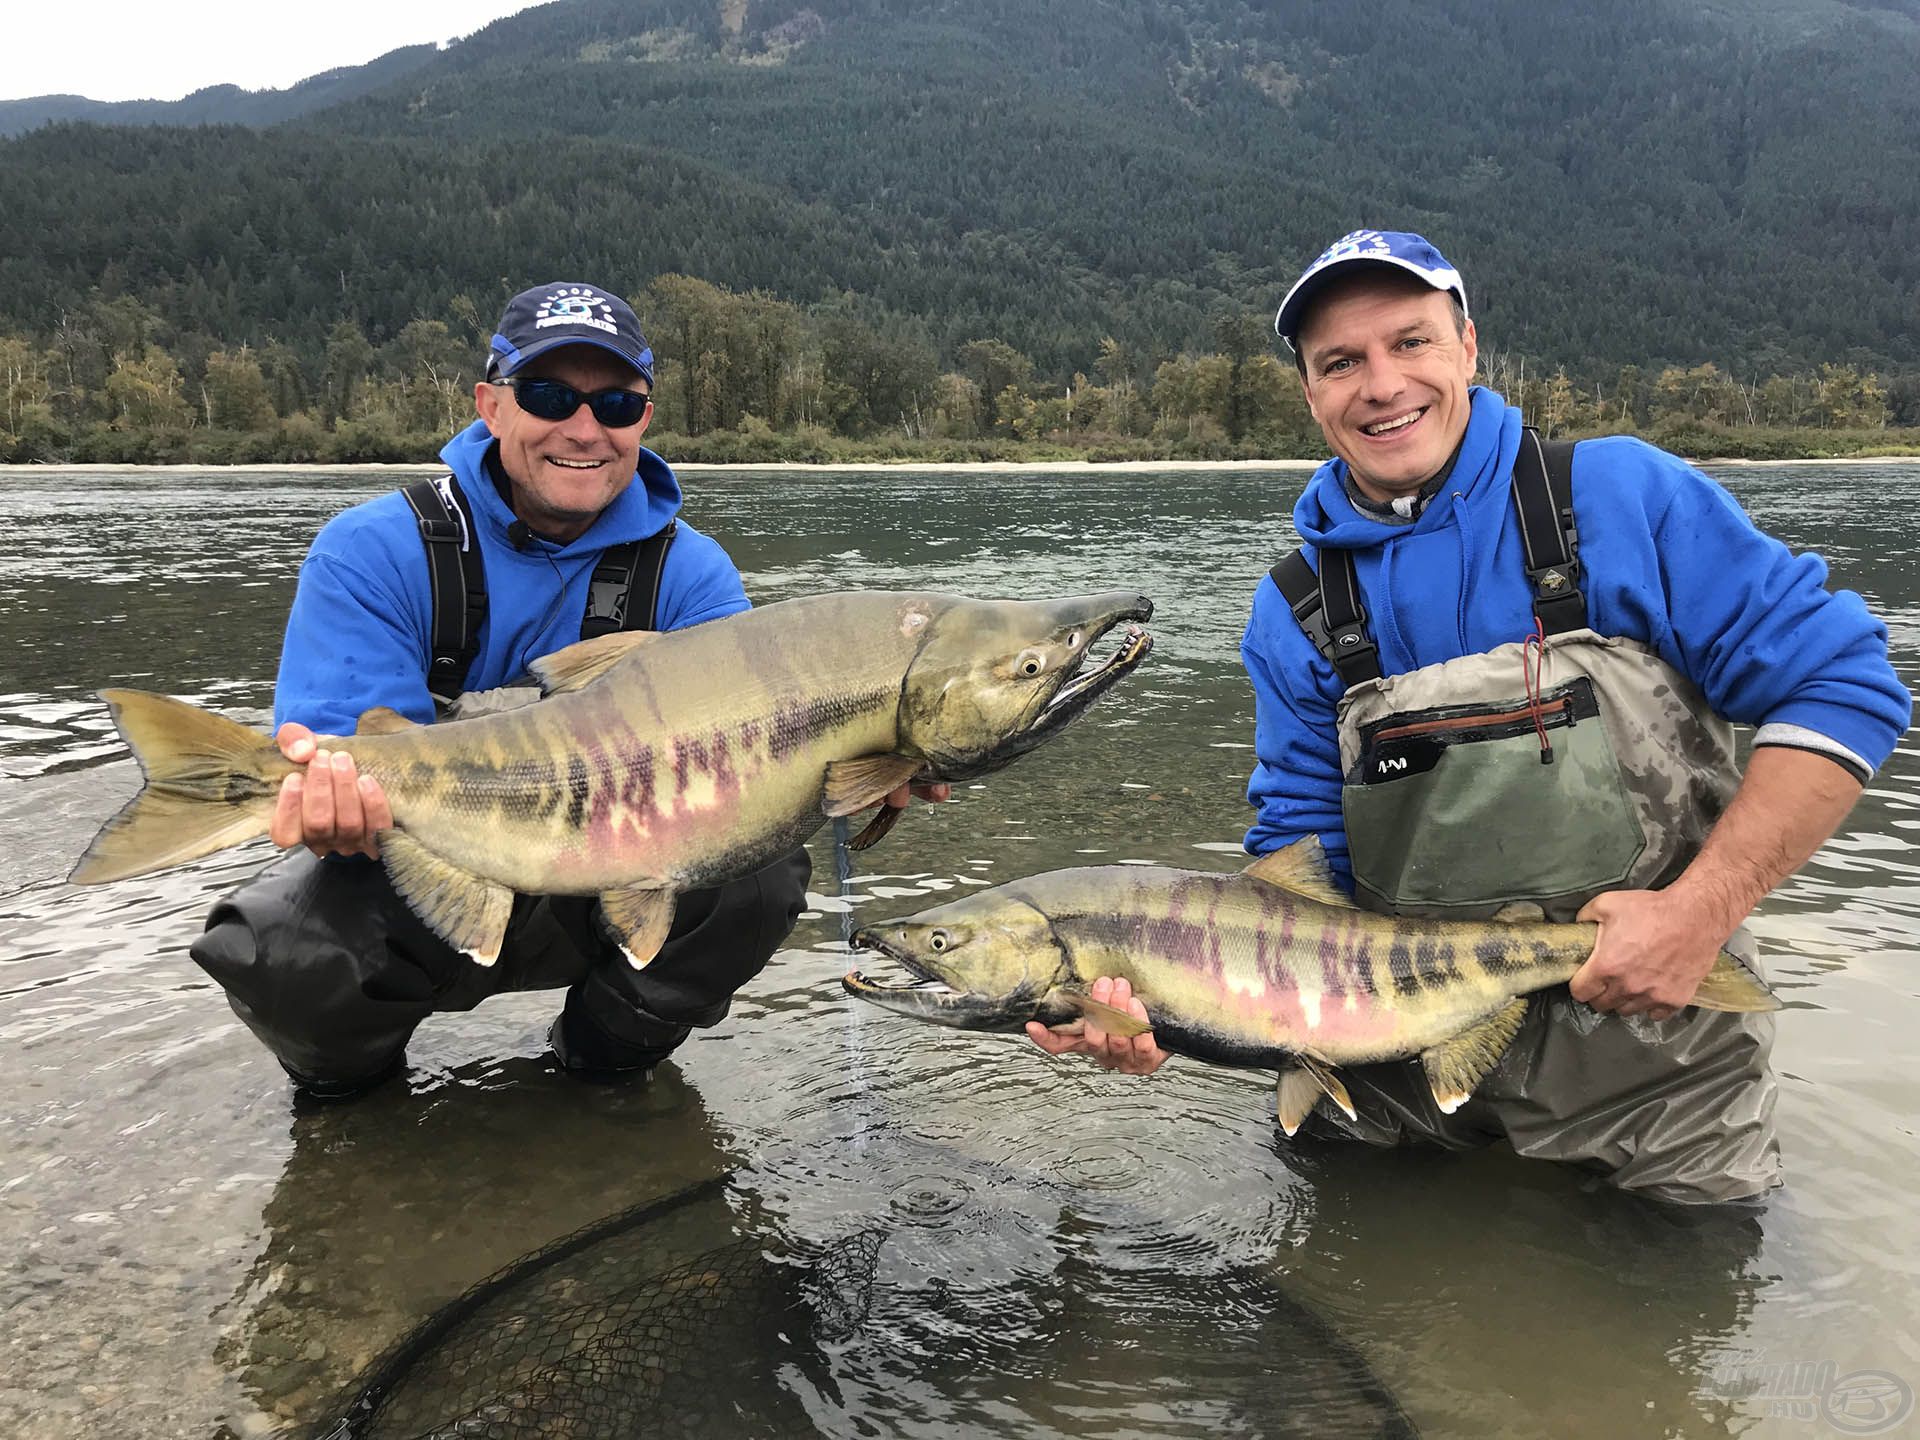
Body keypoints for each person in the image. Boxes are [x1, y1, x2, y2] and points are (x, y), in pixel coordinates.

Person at [1030, 231, 1911, 1204]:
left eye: (1410, 343)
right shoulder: (1294, 610)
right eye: (1341, 362)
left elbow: (1845, 683)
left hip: (1653, 1064)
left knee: (1683, 1323)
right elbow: (1298, 864)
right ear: (1311, 394)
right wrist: (1169, 1006)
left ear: (1468, 349)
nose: (1380, 384)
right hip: (1393, 1071)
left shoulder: (1616, 497)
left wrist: (1701, 914)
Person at [191, 281, 938, 1100]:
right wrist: (326, 805)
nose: (585, 430)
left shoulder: (691, 578)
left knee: (759, 876)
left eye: (617, 403)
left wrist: (876, 749)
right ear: (491, 405)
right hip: (435, 860)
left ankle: (598, 1070)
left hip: (613, 866)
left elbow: (756, 753)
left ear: (645, 418)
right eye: (550, 396)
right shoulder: (371, 553)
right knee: (273, 948)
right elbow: (340, 765)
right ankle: (357, 1101)